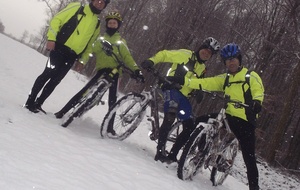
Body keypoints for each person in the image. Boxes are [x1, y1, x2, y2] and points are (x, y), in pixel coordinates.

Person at [173, 43, 264, 190]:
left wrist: (257, 102)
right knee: (199, 121)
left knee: (249, 156)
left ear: (239, 59)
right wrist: (186, 81)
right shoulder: (225, 78)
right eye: (228, 60)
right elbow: (207, 82)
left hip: (245, 120)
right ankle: (193, 153)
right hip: (228, 115)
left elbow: (258, 90)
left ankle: (254, 187)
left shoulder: (250, 76)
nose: (231, 62)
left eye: (233, 59)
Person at [54, 11, 144, 133]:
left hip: (116, 72)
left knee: (113, 100)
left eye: (114, 23)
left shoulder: (120, 42)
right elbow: (90, 50)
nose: (112, 25)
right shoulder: (101, 39)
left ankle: (110, 127)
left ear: (118, 25)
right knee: (84, 91)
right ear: (107, 25)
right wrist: (82, 60)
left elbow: (128, 57)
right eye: (110, 23)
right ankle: (63, 111)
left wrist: (137, 70)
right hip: (102, 70)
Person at [141, 37, 220, 163]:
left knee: (190, 125)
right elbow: (165, 54)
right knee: (170, 116)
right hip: (169, 88)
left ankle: (173, 155)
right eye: (205, 50)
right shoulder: (185, 55)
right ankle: (160, 151)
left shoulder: (202, 68)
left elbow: (197, 83)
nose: (206, 53)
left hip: (183, 97)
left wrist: (198, 92)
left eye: (209, 53)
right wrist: (152, 60)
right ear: (200, 47)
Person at [24, 0, 110, 113]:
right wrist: (51, 38)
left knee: (56, 80)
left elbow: (90, 44)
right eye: (98, 0)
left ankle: (39, 103)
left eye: (102, 3)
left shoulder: (97, 23)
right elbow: (56, 20)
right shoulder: (78, 7)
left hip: (72, 56)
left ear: (104, 6)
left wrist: (83, 60)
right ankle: (29, 102)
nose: (99, 3)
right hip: (59, 48)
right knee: (47, 74)